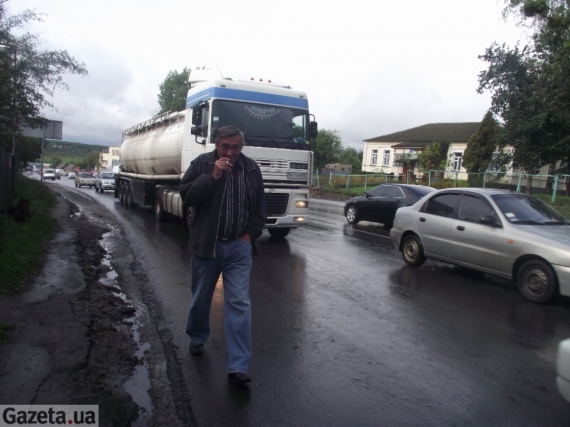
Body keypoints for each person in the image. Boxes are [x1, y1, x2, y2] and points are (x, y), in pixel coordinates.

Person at [180, 125, 266, 385]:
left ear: (241, 146)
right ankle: (197, 336)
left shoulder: (250, 169)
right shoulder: (202, 163)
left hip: (239, 248)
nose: (230, 152)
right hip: (208, 246)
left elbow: (260, 206)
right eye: (225, 146)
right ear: (216, 145)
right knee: (201, 299)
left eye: (235, 147)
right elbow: (187, 196)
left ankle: (238, 367)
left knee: (239, 303)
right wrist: (212, 177)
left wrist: (249, 235)